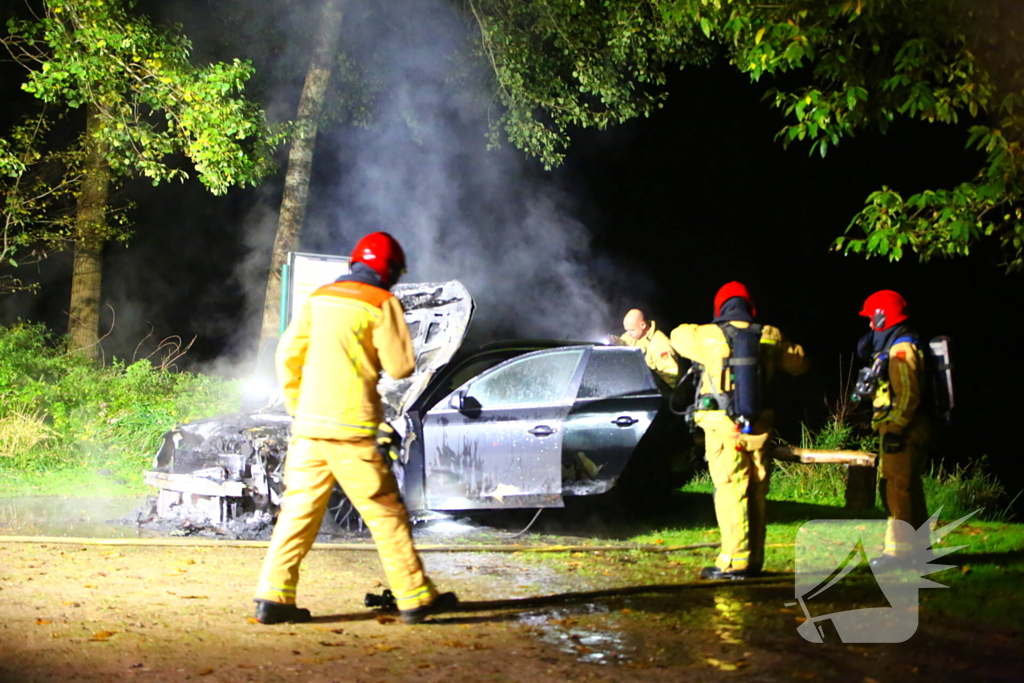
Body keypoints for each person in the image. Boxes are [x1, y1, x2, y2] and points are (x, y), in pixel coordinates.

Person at [253, 231, 457, 625]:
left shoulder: (319, 298)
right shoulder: (382, 303)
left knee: (297, 512)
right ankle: (414, 598)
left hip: (310, 428)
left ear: (354, 263)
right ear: (391, 270)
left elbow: (288, 356)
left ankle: (273, 598)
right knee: (384, 512)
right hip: (352, 429)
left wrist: (299, 407)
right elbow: (400, 367)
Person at [669, 282, 807, 580]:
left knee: (731, 490)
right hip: (759, 424)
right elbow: (799, 363)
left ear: (720, 308)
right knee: (756, 489)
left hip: (722, 427)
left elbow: (677, 336)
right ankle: (754, 557)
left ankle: (735, 561)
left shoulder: (706, 335)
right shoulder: (771, 335)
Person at [856, 290, 930, 571]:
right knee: (909, 488)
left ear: (882, 317)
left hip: (903, 427)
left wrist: (896, 429)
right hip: (904, 425)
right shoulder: (896, 346)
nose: (869, 325)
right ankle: (920, 551)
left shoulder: (901, 350)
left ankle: (898, 555)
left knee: (896, 489)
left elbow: (908, 395)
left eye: (871, 319)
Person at [617, 309, 681, 386]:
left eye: (631, 330)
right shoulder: (635, 335)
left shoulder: (660, 343)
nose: (629, 333)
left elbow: (671, 377)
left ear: (643, 325)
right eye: (627, 330)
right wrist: (613, 340)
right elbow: (623, 341)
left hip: (652, 389)